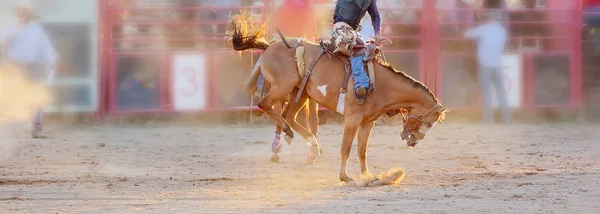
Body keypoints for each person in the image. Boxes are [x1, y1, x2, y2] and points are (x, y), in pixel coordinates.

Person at [0, 0, 57, 138]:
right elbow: (2, 41)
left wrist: (49, 64)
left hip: (33, 66)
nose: (24, 14)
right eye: (22, 11)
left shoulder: (37, 28)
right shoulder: (12, 27)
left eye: (26, 11)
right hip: (15, 67)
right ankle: (12, 129)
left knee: (37, 96)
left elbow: (45, 48)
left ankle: (36, 129)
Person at [327, 0, 382, 105]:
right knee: (357, 46)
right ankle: (360, 84)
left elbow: (375, 15)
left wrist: (377, 33)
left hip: (353, 31)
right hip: (340, 27)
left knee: (372, 49)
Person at [464, 10, 510, 124]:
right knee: (500, 92)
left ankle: (488, 119)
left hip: (485, 64)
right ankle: (506, 119)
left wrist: (468, 27)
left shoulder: (484, 29)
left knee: (487, 92)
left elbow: (467, 35)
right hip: (497, 64)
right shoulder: (502, 31)